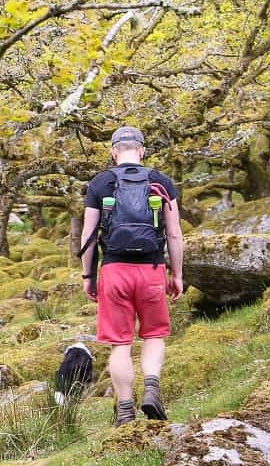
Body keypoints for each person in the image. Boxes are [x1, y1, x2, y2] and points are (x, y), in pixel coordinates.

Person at [78, 126, 185, 427]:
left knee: (121, 344)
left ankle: (125, 409)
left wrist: (88, 276)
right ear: (141, 150)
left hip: (114, 270)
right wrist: (176, 274)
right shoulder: (161, 182)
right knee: (153, 335)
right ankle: (151, 385)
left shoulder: (100, 183)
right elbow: (175, 234)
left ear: (113, 151)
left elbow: (88, 236)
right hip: (151, 270)